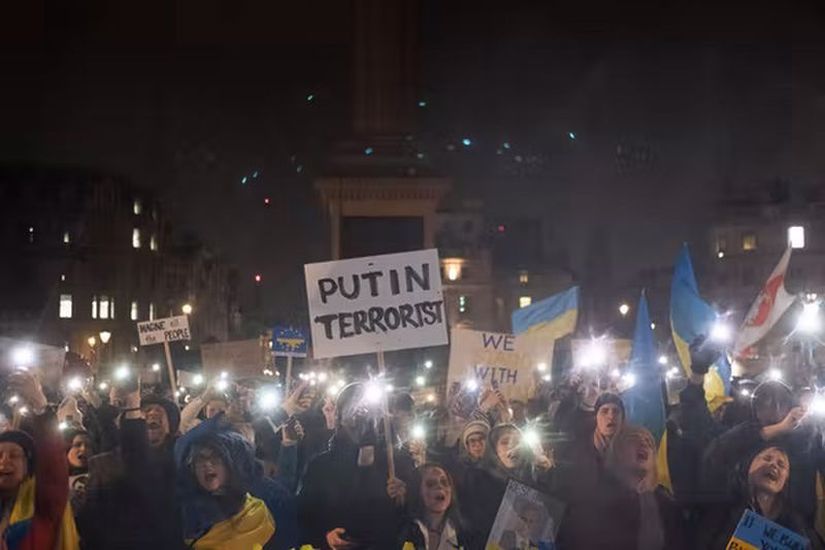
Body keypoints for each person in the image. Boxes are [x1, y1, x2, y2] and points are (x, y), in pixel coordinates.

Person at [298, 382, 415, 549]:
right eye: (355, 405)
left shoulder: (397, 462)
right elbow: (305, 517)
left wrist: (404, 498)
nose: (362, 411)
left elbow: (414, 520)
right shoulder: (320, 466)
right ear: (340, 415)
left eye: (368, 407)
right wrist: (325, 537)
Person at [79, 386, 182, 548]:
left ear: (171, 427)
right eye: (145, 411)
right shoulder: (105, 465)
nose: (152, 414)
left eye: (159, 411)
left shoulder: (181, 462)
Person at [558, 425, 687, 550]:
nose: (644, 443)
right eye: (634, 438)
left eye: (649, 442)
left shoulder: (667, 505)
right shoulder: (590, 499)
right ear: (617, 450)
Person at [0, 371, 78, 550]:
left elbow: (52, 466)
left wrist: (40, 407)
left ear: (28, 466)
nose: (4, 462)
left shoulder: (43, 511)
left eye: (14, 455)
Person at [174, 415, 276, 549]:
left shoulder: (258, 516)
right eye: (200, 459)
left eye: (216, 457)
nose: (207, 464)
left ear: (232, 465)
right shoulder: (182, 513)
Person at [697, 445, 824, 549]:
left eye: (781, 464)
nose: (773, 464)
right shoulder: (721, 511)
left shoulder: (798, 526)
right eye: (767, 458)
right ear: (748, 466)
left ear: (785, 481)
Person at [462, 424, 552, 543]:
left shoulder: (535, 479)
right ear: (494, 449)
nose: (512, 447)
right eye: (505, 442)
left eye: (517, 442)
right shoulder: (478, 479)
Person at [555, 392, 625, 504]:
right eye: (604, 411)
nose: (611, 416)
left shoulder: (631, 452)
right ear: (596, 417)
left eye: (616, 411)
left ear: (623, 418)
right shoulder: (577, 450)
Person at [397, 463, 475, 550]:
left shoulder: (463, 534)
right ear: (417, 491)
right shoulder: (406, 532)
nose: (440, 487)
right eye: (431, 484)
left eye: (444, 482)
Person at [64, 427, 92, 512]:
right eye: (77, 445)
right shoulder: (54, 479)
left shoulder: (101, 477)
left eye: (88, 446)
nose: (83, 449)